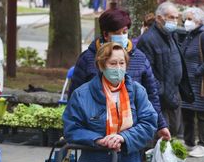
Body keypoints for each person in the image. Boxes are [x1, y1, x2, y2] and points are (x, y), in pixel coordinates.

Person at [69, 9, 170, 141]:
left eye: (125, 32)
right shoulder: (87, 59)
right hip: (97, 131)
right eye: (117, 33)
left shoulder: (139, 58)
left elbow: (151, 96)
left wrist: (161, 125)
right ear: (105, 34)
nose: (122, 36)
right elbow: (74, 97)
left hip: (132, 134)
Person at [136, 1, 194, 137]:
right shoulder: (148, 40)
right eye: (171, 17)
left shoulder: (171, 35)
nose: (174, 21)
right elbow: (146, 73)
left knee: (173, 134)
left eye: (176, 17)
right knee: (161, 137)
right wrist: (162, 90)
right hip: (160, 99)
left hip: (174, 93)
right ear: (159, 18)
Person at [180, 7, 204, 158]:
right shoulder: (189, 35)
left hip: (199, 81)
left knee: (202, 113)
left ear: (199, 21)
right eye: (186, 19)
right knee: (187, 111)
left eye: (190, 19)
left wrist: (198, 72)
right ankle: (189, 142)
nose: (187, 22)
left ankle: (203, 145)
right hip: (187, 82)